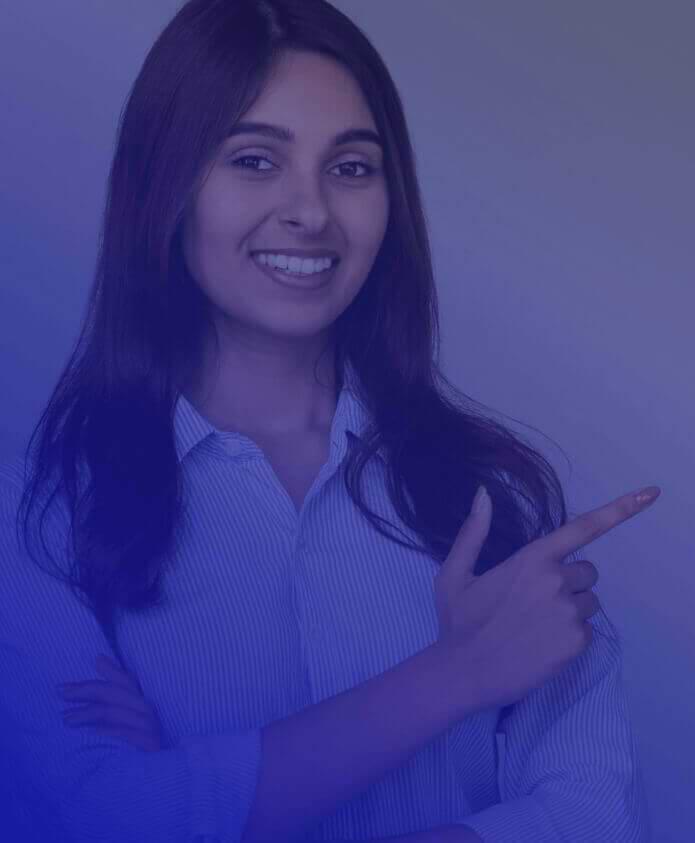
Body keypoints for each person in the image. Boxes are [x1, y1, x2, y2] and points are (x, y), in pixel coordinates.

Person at [0, 0, 657, 840]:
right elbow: (93, 818)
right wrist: (459, 672)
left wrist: (194, 797)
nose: (310, 211)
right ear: (167, 184)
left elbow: (597, 815)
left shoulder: (493, 495)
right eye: (254, 160)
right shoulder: (45, 512)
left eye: (350, 167)